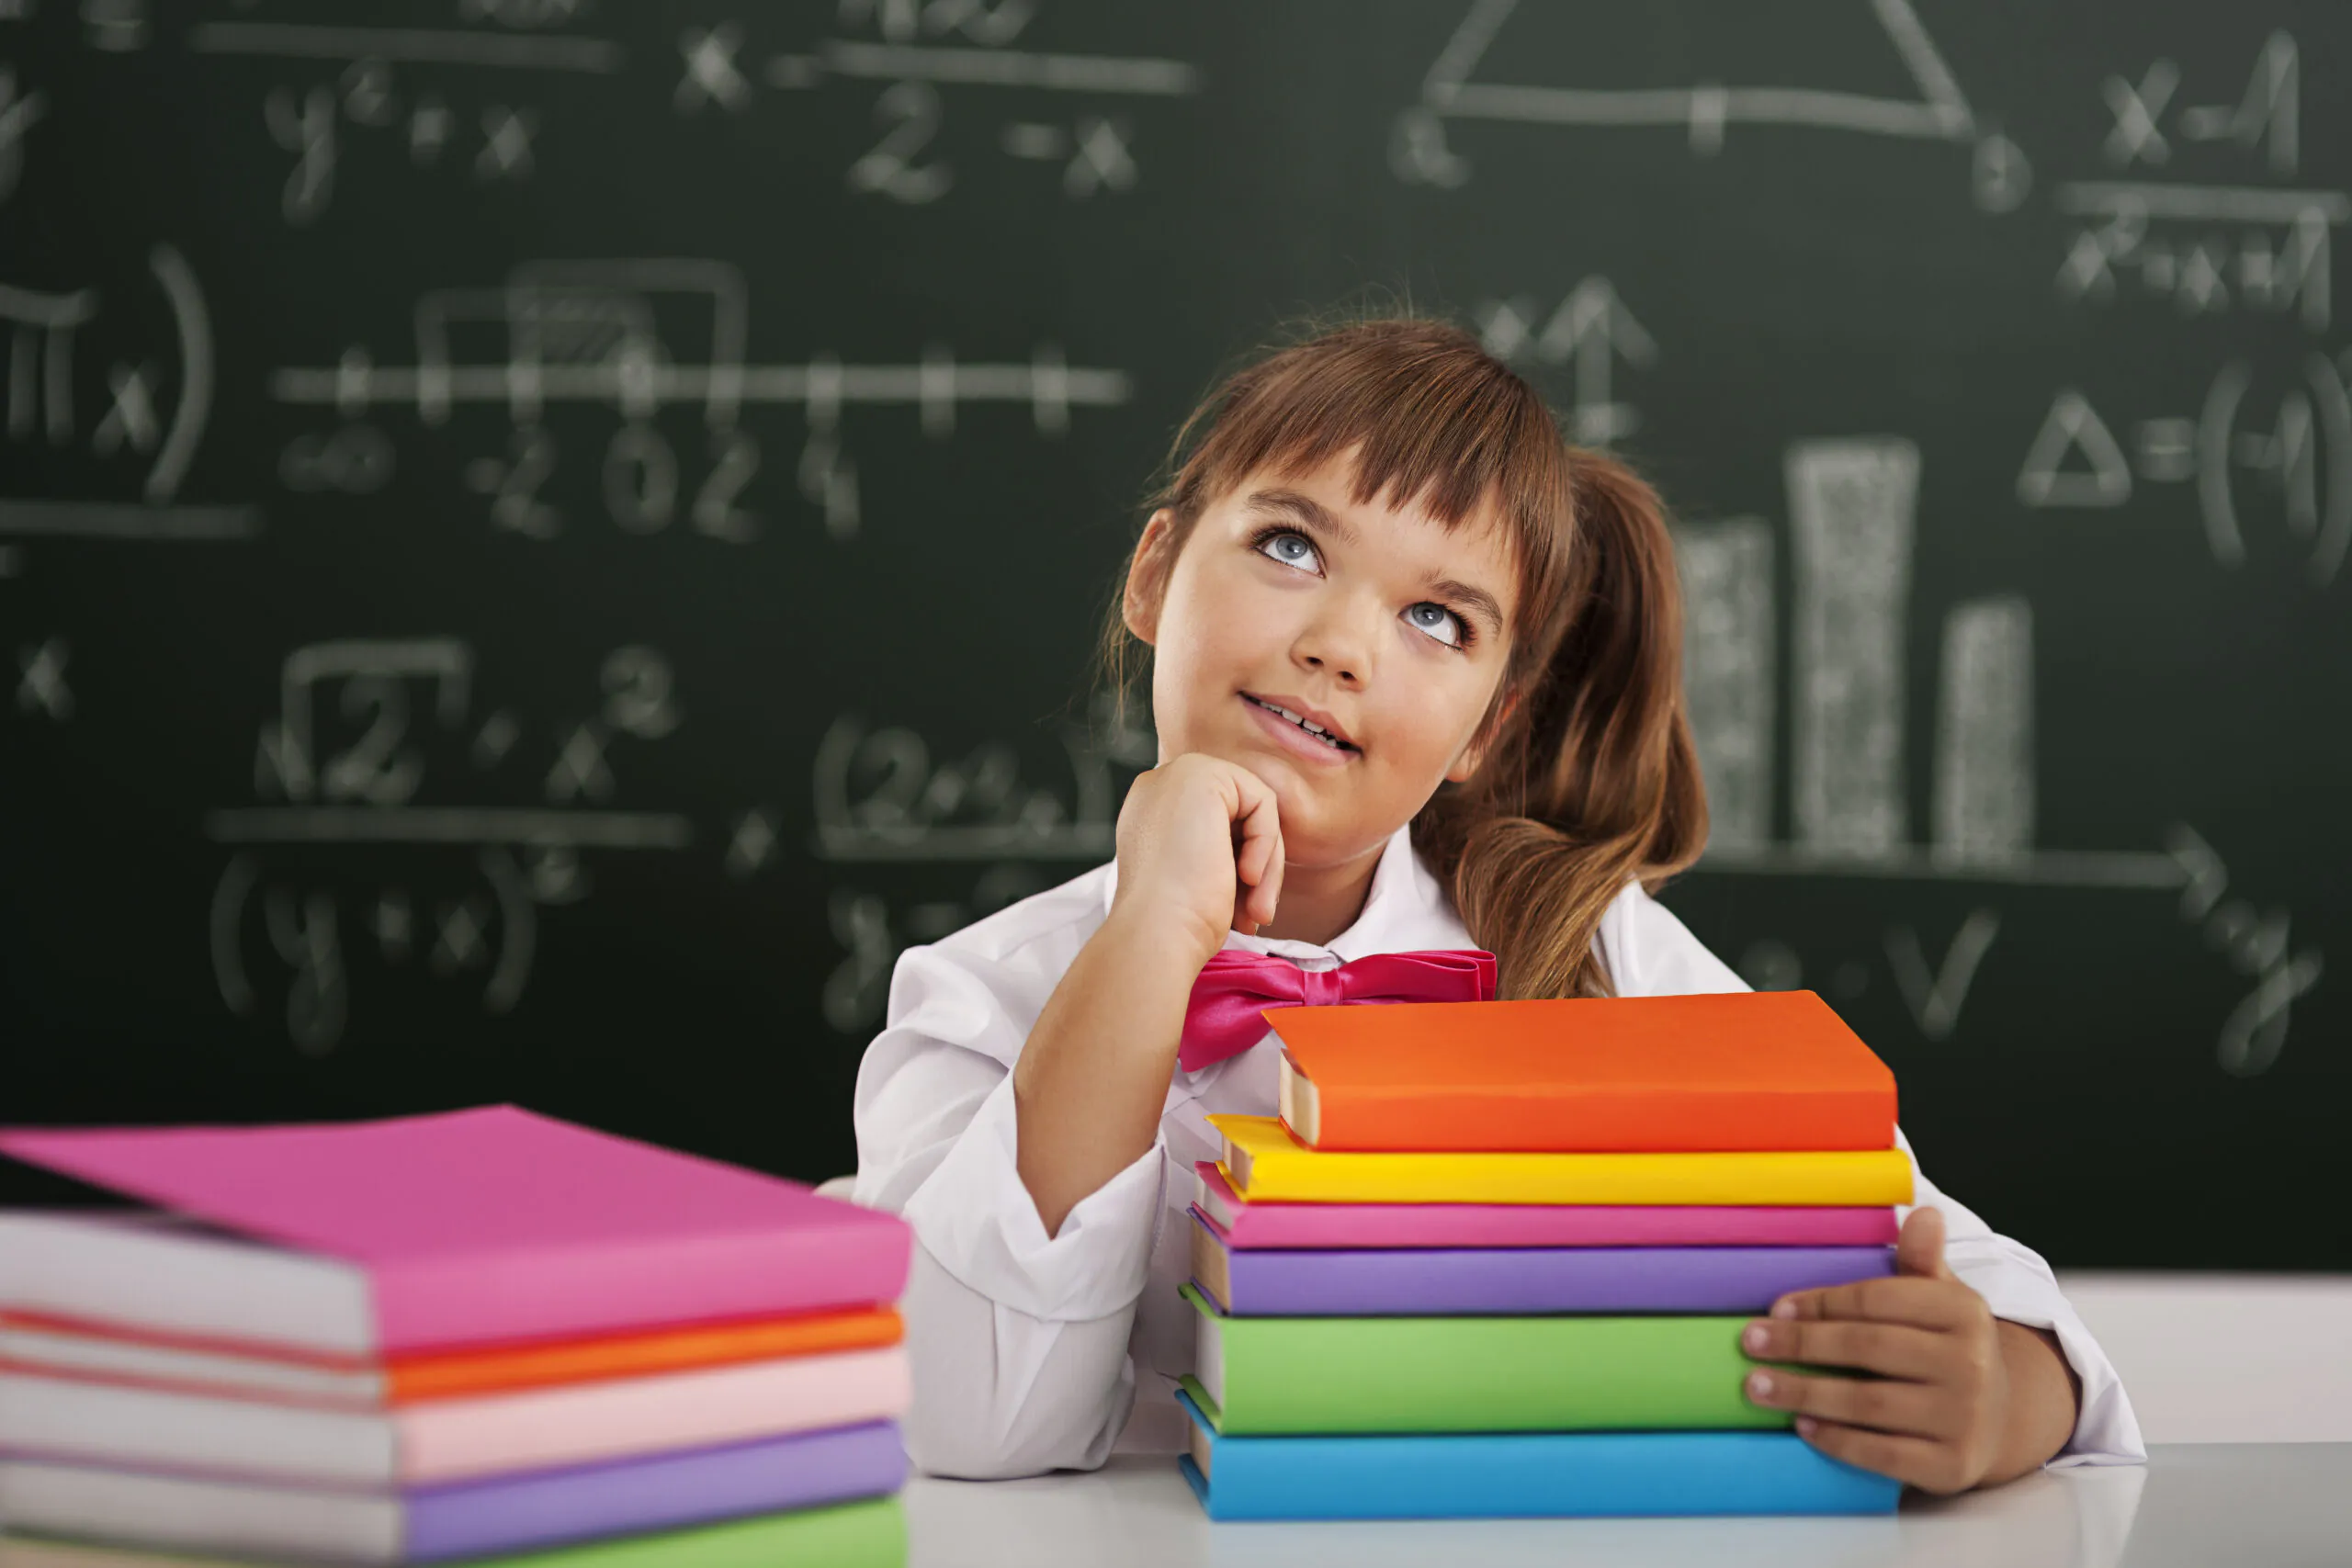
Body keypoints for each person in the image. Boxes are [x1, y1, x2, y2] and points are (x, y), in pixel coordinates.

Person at [851, 317, 2145, 1491]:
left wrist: (2002, 1392)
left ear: (1488, 725)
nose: (1343, 645)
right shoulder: (980, 995)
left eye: (1437, 619)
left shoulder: (1590, 948)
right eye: (1290, 545)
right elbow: (974, 1418)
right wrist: (1150, 934)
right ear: (1154, 572)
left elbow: (1963, 1271)